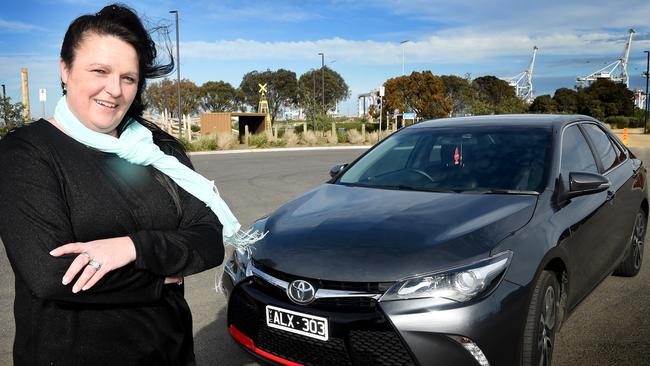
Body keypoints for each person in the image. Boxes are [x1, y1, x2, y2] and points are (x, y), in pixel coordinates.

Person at [0, 4, 236, 365]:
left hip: (171, 353)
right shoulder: (27, 152)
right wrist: (162, 277)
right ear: (65, 69)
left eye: (128, 78)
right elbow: (52, 274)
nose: (114, 90)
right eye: (100, 71)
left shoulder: (156, 148)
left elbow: (208, 239)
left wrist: (133, 248)